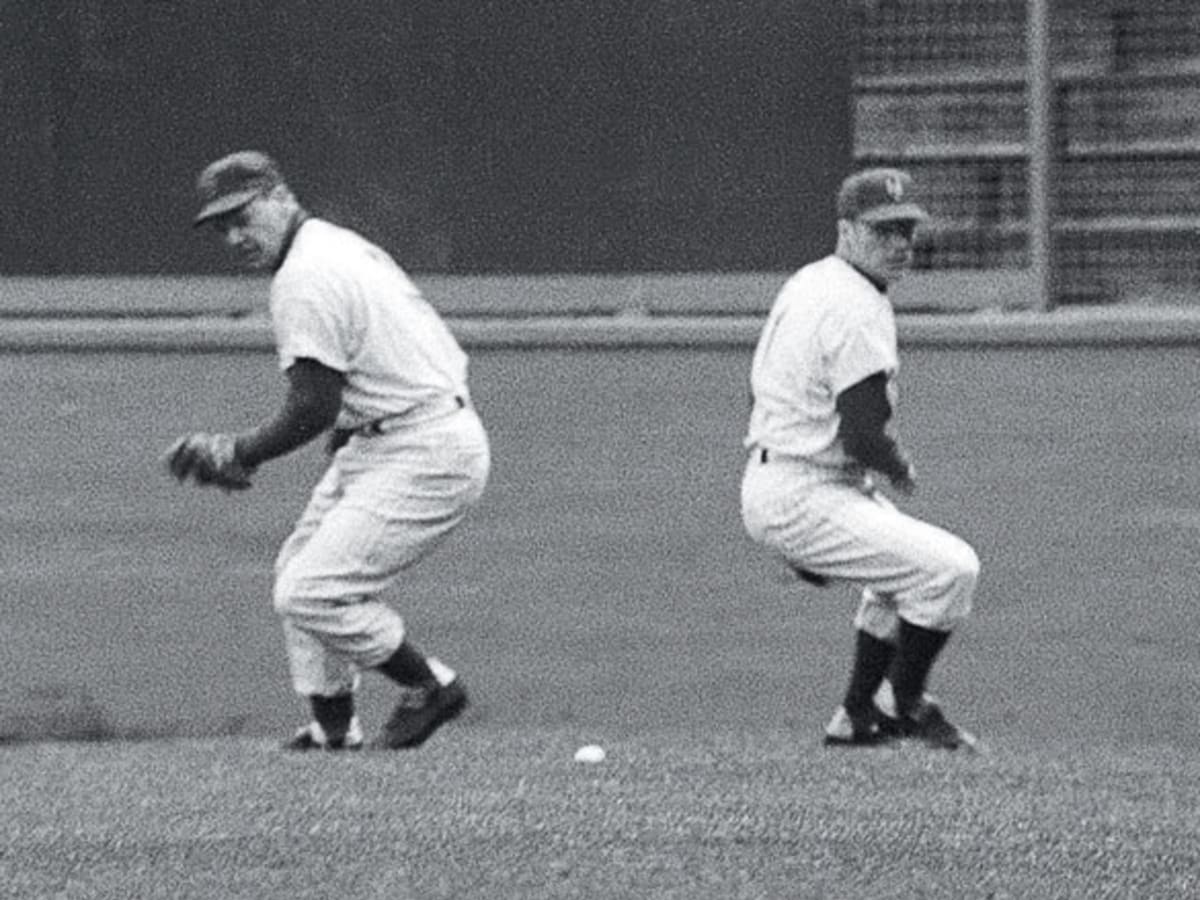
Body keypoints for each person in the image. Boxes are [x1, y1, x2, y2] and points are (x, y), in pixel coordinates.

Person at [165, 150, 489, 751]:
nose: (236, 235)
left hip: (425, 449)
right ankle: (333, 730)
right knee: (300, 573)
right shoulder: (329, 245)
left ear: (280, 196)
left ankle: (430, 687)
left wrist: (242, 451)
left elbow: (312, 404)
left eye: (244, 215)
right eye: (221, 227)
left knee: (310, 591)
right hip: (397, 431)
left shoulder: (305, 278)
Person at [740, 167, 981, 750]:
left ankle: (856, 717)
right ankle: (902, 701)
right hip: (804, 490)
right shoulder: (854, 309)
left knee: (897, 580)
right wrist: (898, 468)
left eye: (906, 229)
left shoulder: (815, 280)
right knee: (950, 570)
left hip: (789, 476)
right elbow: (864, 435)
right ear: (847, 230)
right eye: (882, 231)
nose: (899, 244)